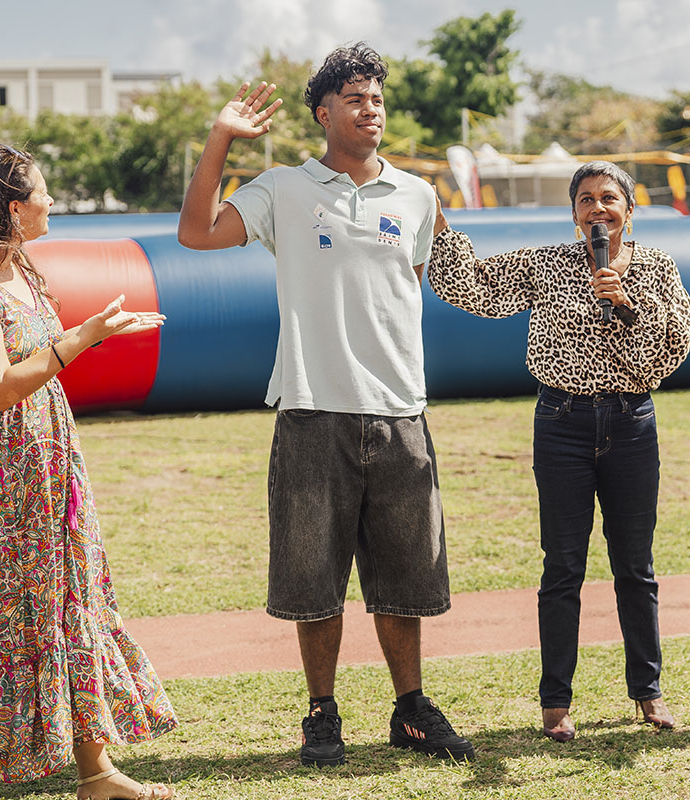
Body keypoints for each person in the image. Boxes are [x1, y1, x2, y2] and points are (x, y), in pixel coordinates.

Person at [177, 43, 474, 766]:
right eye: (355, 99)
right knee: (313, 578)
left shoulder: (418, 195)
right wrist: (220, 138)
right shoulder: (282, 188)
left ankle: (410, 708)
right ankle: (322, 712)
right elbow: (195, 232)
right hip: (312, 409)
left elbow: (449, 283)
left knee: (406, 576)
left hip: (401, 409)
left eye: (377, 98)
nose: (370, 110)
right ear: (324, 112)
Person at [0, 146, 176, 800]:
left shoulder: (24, 269)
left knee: (72, 599)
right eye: (45, 193)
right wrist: (86, 336)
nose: (54, 202)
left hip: (46, 457)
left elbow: (37, 361)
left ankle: (97, 773)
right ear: (14, 208)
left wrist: (105, 330)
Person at [428, 161, 690, 740]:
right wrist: (441, 227)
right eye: (586, 200)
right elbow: (475, 289)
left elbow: (675, 346)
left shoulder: (657, 267)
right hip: (562, 424)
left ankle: (647, 692)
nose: (598, 209)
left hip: (630, 424)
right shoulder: (547, 264)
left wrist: (625, 300)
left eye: (609, 198)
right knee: (563, 567)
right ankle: (556, 703)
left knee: (635, 565)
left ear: (630, 208)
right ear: (573, 212)